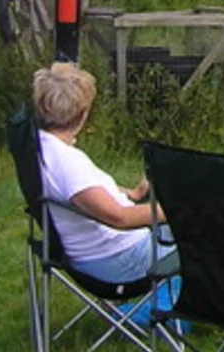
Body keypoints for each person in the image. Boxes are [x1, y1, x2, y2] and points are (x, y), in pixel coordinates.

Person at [31, 61, 177, 286]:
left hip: (102, 250)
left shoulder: (42, 147)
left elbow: (83, 192)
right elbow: (119, 218)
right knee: (208, 234)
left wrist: (133, 194)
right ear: (82, 114)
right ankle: (160, 312)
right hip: (119, 258)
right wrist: (182, 209)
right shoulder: (68, 164)